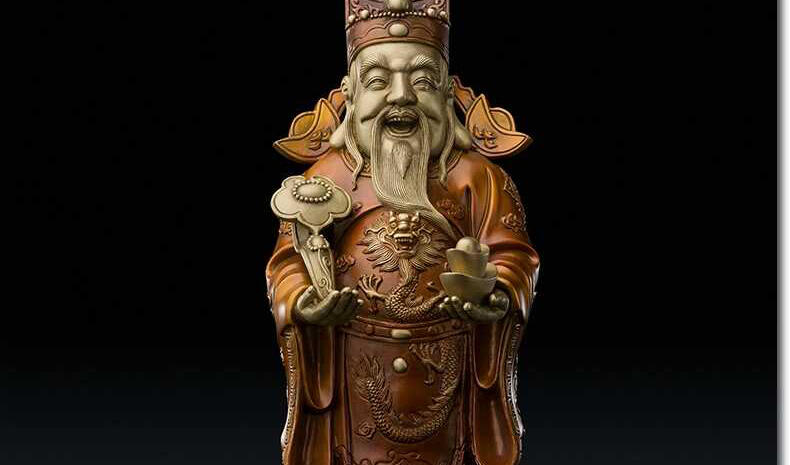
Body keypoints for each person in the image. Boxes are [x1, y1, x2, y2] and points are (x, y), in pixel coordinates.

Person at [266, 1, 539, 463]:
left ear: (447, 96)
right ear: (351, 95)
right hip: (354, 369)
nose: (401, 97)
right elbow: (288, 263)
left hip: (450, 365)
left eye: (422, 81)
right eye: (378, 81)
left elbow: (515, 256)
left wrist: (497, 296)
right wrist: (302, 303)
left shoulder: (478, 179)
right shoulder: (324, 179)